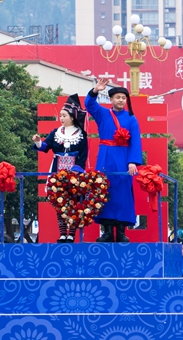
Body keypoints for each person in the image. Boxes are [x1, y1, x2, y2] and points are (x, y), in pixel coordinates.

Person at [86, 79, 143, 243]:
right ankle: (107, 231)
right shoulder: (103, 114)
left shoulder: (131, 118)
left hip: (123, 159)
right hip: (105, 157)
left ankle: (121, 231)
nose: (121, 100)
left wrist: (132, 161)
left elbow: (135, 141)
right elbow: (89, 104)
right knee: (104, 191)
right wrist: (95, 90)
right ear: (111, 99)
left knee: (123, 193)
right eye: (117, 97)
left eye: (123, 98)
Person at [33, 94, 89, 242]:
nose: (61, 118)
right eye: (61, 116)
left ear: (72, 117)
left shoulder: (81, 135)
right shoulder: (56, 133)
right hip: (57, 171)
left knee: (73, 203)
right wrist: (38, 142)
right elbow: (45, 147)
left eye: (64, 115)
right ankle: (63, 233)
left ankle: (72, 234)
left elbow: (83, 156)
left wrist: (76, 173)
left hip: (74, 172)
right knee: (59, 202)